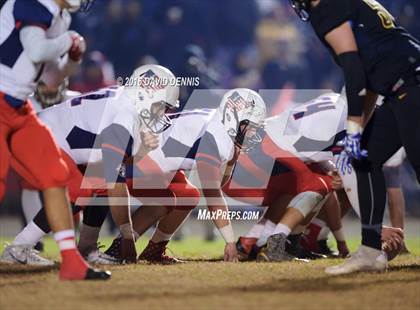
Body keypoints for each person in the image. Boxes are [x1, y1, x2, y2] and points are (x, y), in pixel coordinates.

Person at [0, 64, 180, 266]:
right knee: (79, 190)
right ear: (145, 96)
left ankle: (86, 247)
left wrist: (140, 152)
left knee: (97, 183)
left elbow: (111, 169)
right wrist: (127, 236)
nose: (162, 113)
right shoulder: (125, 116)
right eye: (161, 106)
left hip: (49, 139)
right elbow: (116, 183)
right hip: (36, 138)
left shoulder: (125, 103)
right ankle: (19, 247)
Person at [288, 0, 420, 274]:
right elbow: (369, 76)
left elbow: (354, 72)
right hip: (401, 88)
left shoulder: (327, 8)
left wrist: (353, 128)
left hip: (411, 86)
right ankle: (371, 251)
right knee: (366, 158)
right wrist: (360, 132)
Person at [0, 0, 110, 280]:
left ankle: (71, 262)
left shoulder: (58, 16)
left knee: (60, 176)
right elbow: (37, 48)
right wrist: (66, 41)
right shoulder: (31, 3)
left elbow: (50, 77)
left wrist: (72, 58)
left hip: (19, 107)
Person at [100, 88, 267, 263]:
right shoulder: (215, 136)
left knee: (188, 195)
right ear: (234, 117)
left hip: (159, 162)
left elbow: (218, 184)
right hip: (139, 155)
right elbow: (213, 194)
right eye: (250, 127)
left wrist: (231, 161)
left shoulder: (219, 126)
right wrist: (230, 241)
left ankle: (154, 251)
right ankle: (118, 249)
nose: (253, 133)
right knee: (165, 200)